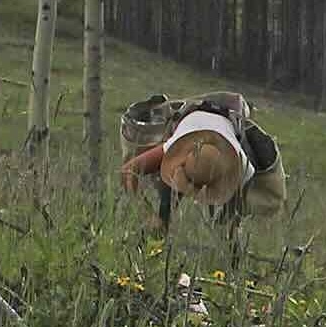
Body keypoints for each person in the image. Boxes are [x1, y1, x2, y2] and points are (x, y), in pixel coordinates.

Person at [118, 91, 285, 233]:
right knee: (166, 203)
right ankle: (158, 236)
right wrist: (147, 214)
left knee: (228, 225)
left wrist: (228, 228)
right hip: (190, 121)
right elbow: (128, 171)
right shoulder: (174, 146)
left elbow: (237, 208)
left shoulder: (243, 167)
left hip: (227, 122)